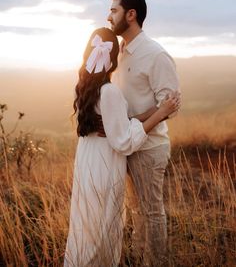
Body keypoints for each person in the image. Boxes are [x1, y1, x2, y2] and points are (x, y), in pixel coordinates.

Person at [64, 27, 180, 267]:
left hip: (88, 161)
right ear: (113, 57)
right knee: (104, 225)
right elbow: (124, 141)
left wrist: (151, 113)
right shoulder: (109, 91)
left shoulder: (86, 87)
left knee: (87, 222)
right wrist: (160, 114)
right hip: (105, 162)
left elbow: (119, 122)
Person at [107, 0, 180, 266]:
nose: (109, 15)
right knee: (134, 208)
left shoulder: (156, 54)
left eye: (114, 10)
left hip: (149, 147)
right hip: (127, 144)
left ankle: (156, 261)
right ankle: (139, 257)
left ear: (131, 14)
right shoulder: (121, 51)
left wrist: (132, 125)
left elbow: (170, 106)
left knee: (151, 211)